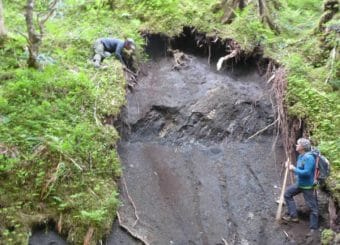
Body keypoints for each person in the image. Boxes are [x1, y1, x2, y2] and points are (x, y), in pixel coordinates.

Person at [283, 138, 319, 236]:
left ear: (302, 147)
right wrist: (290, 166)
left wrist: (293, 169)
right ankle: (293, 216)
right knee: (287, 194)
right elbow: (299, 169)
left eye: (298, 144)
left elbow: (307, 173)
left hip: (307, 186)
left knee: (313, 208)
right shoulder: (301, 156)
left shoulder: (309, 158)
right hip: (300, 184)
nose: (296, 146)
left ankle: (313, 229)